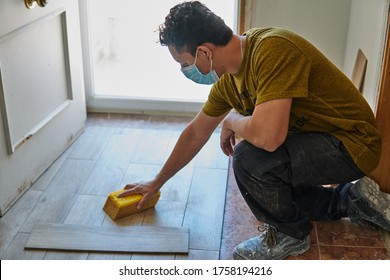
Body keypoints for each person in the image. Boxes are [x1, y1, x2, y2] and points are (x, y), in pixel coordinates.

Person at [119, 1, 390, 260]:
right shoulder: (228, 81)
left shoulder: (273, 50)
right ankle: (352, 200)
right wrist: (157, 182)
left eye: (184, 64)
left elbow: (268, 137)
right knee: (272, 189)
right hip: (322, 141)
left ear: (204, 52)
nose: (185, 71)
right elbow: (195, 133)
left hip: (354, 144)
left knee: (251, 158)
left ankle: (290, 234)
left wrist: (232, 120)